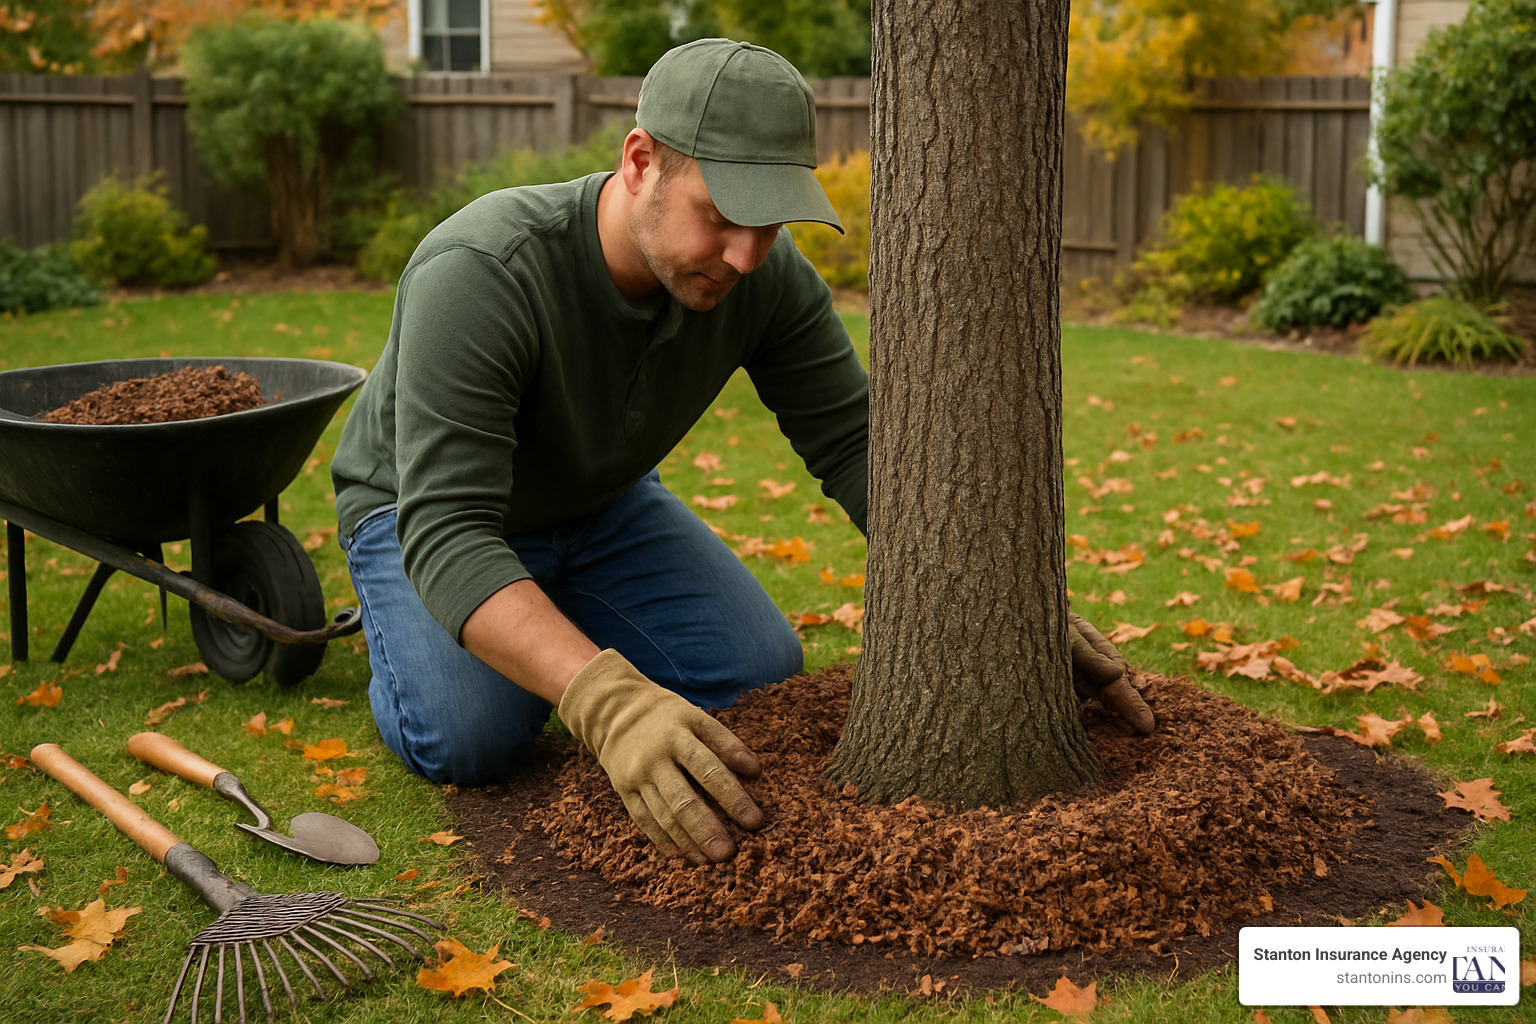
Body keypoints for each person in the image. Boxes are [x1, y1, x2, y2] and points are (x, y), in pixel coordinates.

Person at [331, 38, 1153, 869]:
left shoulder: (763, 277)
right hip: (422, 516)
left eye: (769, 223)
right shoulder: (482, 272)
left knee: (759, 672)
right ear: (640, 162)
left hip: (601, 505)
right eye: (722, 216)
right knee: (473, 740)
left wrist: (1006, 607)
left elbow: (855, 442)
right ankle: (407, 630)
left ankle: (540, 617)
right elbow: (449, 529)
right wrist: (611, 704)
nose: (745, 255)